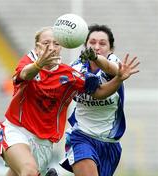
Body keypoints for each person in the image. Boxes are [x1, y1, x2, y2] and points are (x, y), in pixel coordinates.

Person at [0, 26, 139, 176]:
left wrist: (119, 78)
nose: (51, 47)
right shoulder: (28, 62)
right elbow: (25, 75)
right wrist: (39, 64)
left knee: (21, 172)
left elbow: (99, 92)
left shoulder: (69, 75)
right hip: (17, 130)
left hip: (45, 142)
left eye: (56, 43)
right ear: (37, 47)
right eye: (46, 43)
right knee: (29, 171)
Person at [60, 24, 139, 176]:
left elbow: (112, 69)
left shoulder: (114, 63)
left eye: (102, 43)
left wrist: (98, 59)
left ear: (111, 49)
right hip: (81, 136)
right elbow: (99, 93)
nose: (97, 47)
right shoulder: (76, 68)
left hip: (110, 143)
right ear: (85, 45)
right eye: (92, 42)